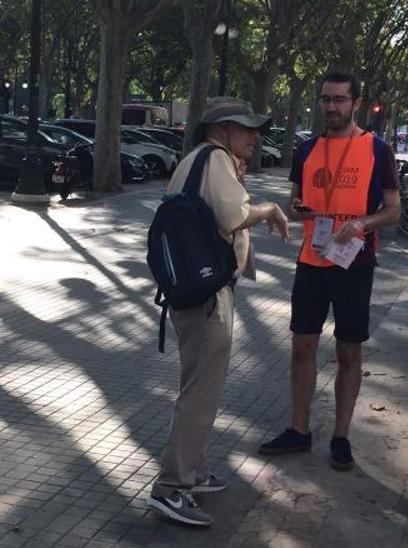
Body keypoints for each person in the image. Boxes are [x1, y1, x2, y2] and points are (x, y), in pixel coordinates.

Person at [148, 97, 289, 527]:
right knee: (199, 394)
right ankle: (172, 487)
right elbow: (235, 215)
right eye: (247, 129)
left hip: (195, 293)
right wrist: (269, 208)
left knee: (201, 388)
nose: (255, 136)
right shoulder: (215, 158)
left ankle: (197, 471)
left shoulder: (200, 159)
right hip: (208, 298)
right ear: (223, 129)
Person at [258, 71, 401, 471]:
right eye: (326, 99)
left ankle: (341, 436)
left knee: (348, 349)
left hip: (355, 262)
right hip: (312, 259)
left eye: (339, 100)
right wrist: (297, 210)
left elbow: (394, 210)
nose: (331, 107)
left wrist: (362, 224)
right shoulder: (306, 150)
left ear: (355, 102)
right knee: (302, 345)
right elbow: (294, 202)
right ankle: (299, 430)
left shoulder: (377, 149)